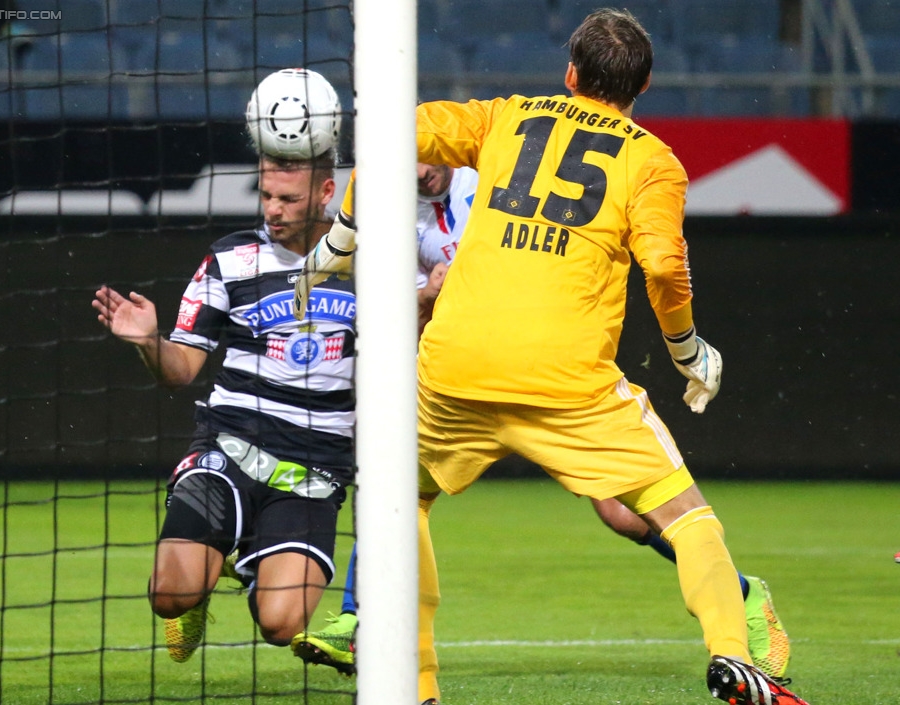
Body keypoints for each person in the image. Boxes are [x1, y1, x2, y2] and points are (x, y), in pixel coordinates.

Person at [296, 9, 812, 705]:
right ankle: (729, 650)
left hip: (457, 370)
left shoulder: (508, 116)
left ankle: (416, 689)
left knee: (403, 502)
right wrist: (688, 351)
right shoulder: (652, 160)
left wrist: (342, 237)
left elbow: (395, 132)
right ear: (646, 83)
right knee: (687, 516)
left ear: (569, 73)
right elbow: (662, 266)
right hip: (567, 382)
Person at [91, 149, 357, 664]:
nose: (272, 210)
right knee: (171, 595)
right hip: (229, 449)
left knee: (281, 627)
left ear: (327, 195)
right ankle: (206, 572)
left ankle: (244, 553)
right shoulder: (230, 259)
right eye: (266, 196)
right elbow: (181, 371)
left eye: (288, 199)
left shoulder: (370, 264)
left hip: (313, 468)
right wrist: (150, 342)